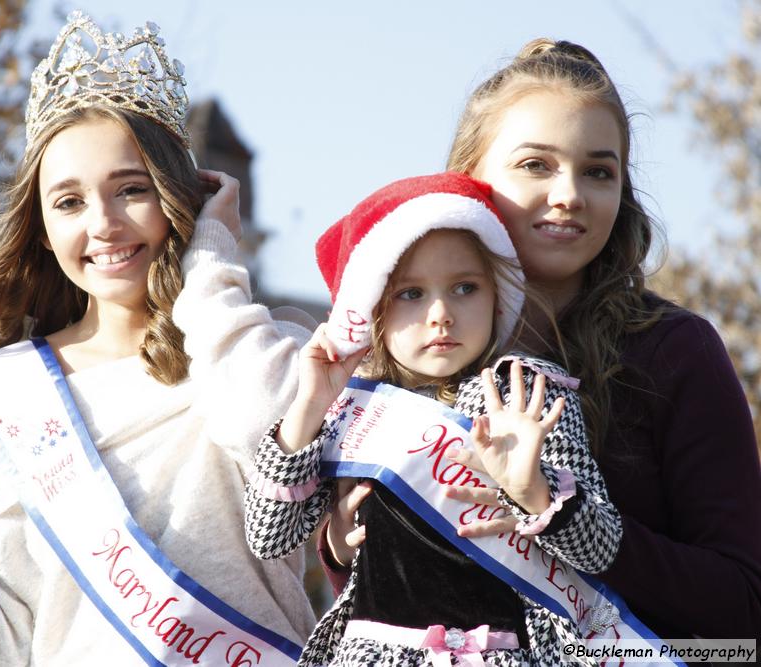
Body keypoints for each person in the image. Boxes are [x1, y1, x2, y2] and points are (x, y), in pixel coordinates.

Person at [0, 11, 316, 665]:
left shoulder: (262, 351)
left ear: (176, 197)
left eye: (131, 190)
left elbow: (288, 485)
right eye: (69, 202)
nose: (103, 223)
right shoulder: (8, 394)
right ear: (42, 230)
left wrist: (214, 258)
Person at [322, 38, 761, 641]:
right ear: (466, 179)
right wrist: (343, 547)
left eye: (598, 171)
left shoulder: (675, 351)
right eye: (536, 165)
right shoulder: (401, 353)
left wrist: (561, 516)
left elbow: (739, 609)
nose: (569, 194)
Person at [246, 172, 623, 665]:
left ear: (497, 294)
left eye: (465, 287)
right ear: (373, 310)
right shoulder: (355, 408)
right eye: (411, 294)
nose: (441, 313)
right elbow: (269, 536)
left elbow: (602, 549)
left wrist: (535, 488)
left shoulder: (527, 390)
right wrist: (309, 407)